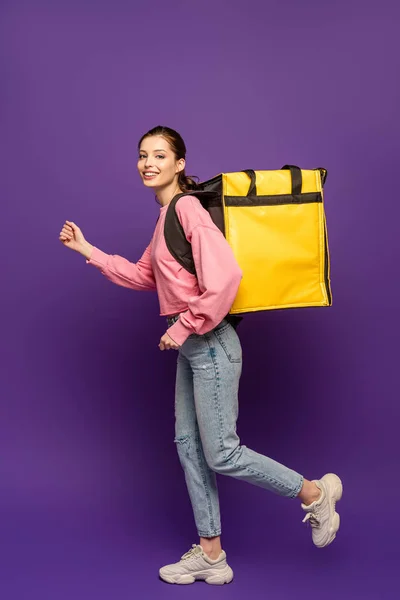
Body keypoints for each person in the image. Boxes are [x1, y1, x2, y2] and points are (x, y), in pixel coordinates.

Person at [59, 125, 343, 585]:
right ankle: (211, 555)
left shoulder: (187, 207)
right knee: (190, 449)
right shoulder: (167, 215)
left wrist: (185, 326)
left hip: (209, 342)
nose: (148, 163)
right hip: (194, 347)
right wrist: (87, 249)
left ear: (180, 163)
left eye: (159, 155)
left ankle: (314, 494)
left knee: (222, 452)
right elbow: (142, 275)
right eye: (142, 155)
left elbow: (226, 276)